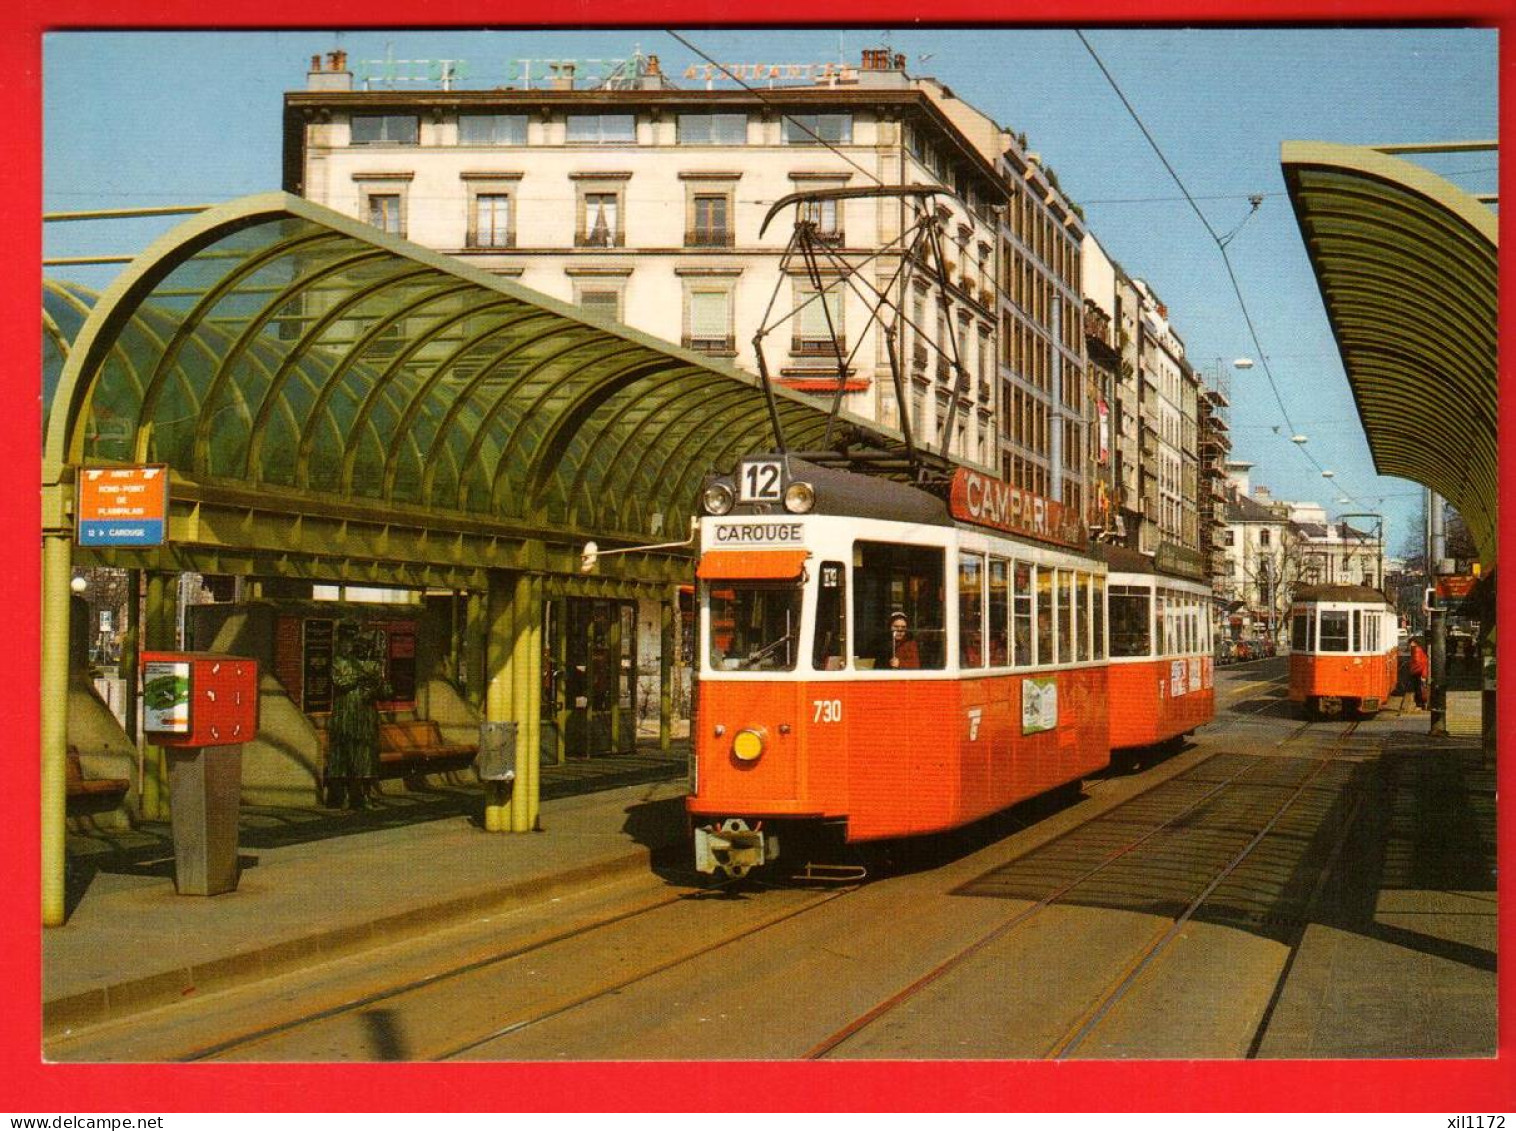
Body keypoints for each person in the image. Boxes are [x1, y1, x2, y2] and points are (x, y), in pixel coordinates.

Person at [326, 621, 391, 810]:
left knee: (367, 756)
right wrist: (362, 676)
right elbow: (340, 682)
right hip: (345, 715)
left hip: (366, 717)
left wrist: (379, 684)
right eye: (350, 641)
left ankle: (365, 795)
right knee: (345, 755)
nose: (358, 647)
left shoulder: (372, 665)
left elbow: (385, 692)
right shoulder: (339, 661)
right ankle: (344, 796)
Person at [1409, 636, 1430, 709]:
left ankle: (1420, 703)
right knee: (1420, 687)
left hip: (1418, 672)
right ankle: (1421, 703)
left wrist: (1412, 670)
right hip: (1421, 671)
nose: (1410, 645)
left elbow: (1417, 662)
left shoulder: (1416, 650)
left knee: (1418, 688)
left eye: (1411, 643)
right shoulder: (1419, 649)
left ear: (1414, 643)